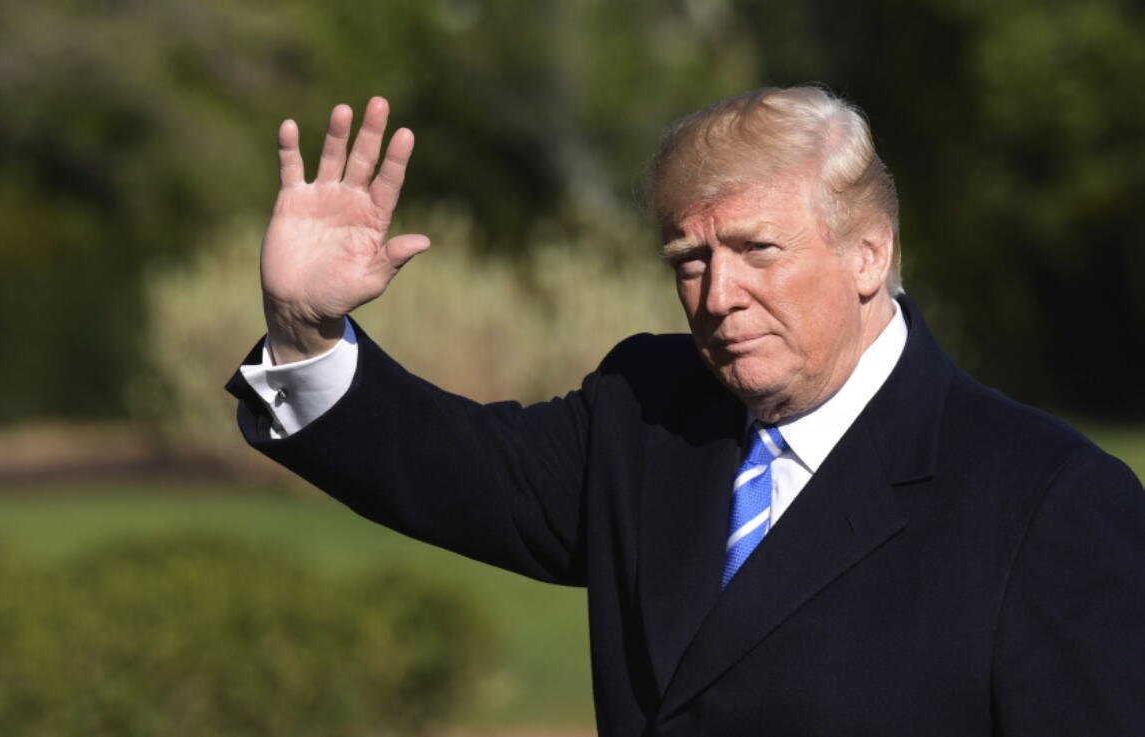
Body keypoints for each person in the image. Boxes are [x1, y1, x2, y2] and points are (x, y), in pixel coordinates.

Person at [226, 87, 1145, 736]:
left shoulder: (1048, 500)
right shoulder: (649, 411)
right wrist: (305, 328)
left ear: (869, 254)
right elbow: (451, 467)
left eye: (757, 248)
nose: (719, 295)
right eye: (690, 260)